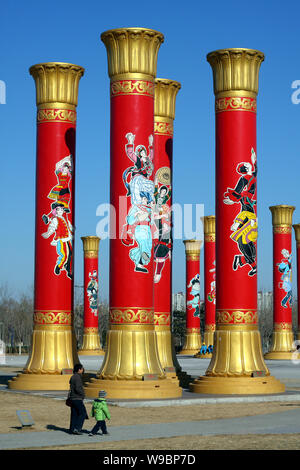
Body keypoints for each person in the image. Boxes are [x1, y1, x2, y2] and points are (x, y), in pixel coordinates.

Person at [68, 363, 88, 435]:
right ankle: (77, 428)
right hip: (77, 398)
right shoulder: (77, 377)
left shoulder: (73, 376)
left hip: (72, 398)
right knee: (82, 413)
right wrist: (83, 394)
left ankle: (72, 429)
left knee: (74, 414)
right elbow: (78, 388)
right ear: (79, 369)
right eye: (82, 369)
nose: (83, 370)